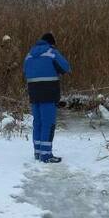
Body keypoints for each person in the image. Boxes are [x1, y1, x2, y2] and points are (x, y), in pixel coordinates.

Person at [23, 32, 71, 163]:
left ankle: (38, 152)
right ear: (52, 43)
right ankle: (46, 155)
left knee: (37, 123)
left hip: (33, 93)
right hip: (49, 93)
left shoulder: (29, 55)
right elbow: (66, 68)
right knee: (48, 124)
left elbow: (25, 71)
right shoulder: (51, 52)